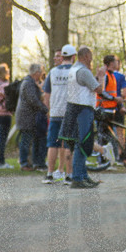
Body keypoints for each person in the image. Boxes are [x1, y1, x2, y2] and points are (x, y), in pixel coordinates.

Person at [59, 45, 105, 189]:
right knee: (83, 143)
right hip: (83, 111)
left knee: (81, 143)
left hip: (73, 109)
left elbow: (86, 85)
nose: (91, 60)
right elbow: (98, 89)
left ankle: (83, 176)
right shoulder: (84, 71)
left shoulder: (74, 69)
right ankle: (78, 178)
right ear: (86, 57)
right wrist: (102, 77)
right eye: (90, 57)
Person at [43, 45, 76, 184]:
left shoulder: (53, 72)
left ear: (62, 57)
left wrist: (49, 109)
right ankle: (68, 176)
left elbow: (46, 94)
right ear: (73, 57)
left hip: (55, 112)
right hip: (69, 112)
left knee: (52, 144)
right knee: (68, 144)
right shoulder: (75, 71)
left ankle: (50, 174)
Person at [15, 63, 48, 171]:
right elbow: (33, 100)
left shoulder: (29, 82)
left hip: (28, 117)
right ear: (36, 73)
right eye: (41, 72)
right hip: (26, 117)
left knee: (29, 140)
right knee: (25, 141)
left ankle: (31, 162)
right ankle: (24, 163)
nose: (41, 75)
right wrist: (45, 109)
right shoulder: (28, 84)